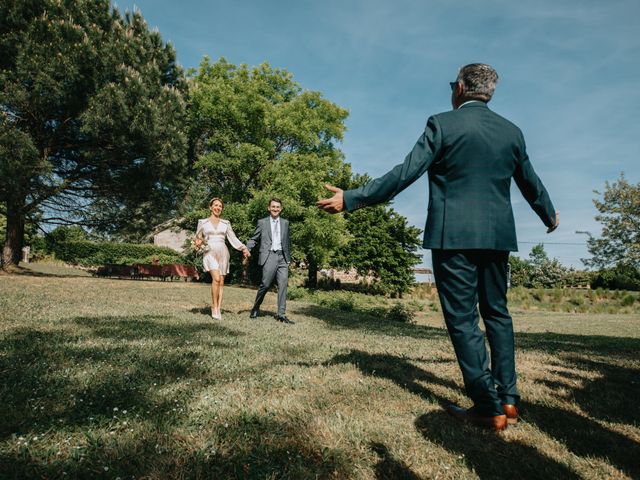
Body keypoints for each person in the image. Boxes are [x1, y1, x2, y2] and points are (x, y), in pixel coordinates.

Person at [318, 63, 559, 432]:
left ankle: (487, 406)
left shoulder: (442, 124)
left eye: (453, 85)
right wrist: (548, 213)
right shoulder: (512, 132)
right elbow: (530, 181)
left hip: (453, 237)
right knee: (497, 313)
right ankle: (509, 399)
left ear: (460, 88)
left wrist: (352, 198)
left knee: (464, 320)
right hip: (497, 240)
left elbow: (404, 173)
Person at [195, 198, 249, 320]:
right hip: (209, 252)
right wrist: (197, 244)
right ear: (210, 207)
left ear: (222, 209)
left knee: (221, 282)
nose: (218, 208)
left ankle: (218, 308)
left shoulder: (226, 223)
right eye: (215, 205)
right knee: (216, 278)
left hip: (223, 252)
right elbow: (197, 238)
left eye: (220, 206)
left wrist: (243, 248)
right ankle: (214, 308)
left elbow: (232, 238)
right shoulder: (203, 222)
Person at [245, 198, 294, 324]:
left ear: (281, 209)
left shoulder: (285, 223)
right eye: (273, 207)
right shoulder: (262, 222)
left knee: (283, 285)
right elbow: (254, 238)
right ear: (269, 208)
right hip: (269, 256)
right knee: (265, 284)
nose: (275, 209)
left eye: (278, 207)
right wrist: (247, 248)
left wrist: (288, 258)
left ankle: (281, 314)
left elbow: (287, 241)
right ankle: (256, 307)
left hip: (282, 258)